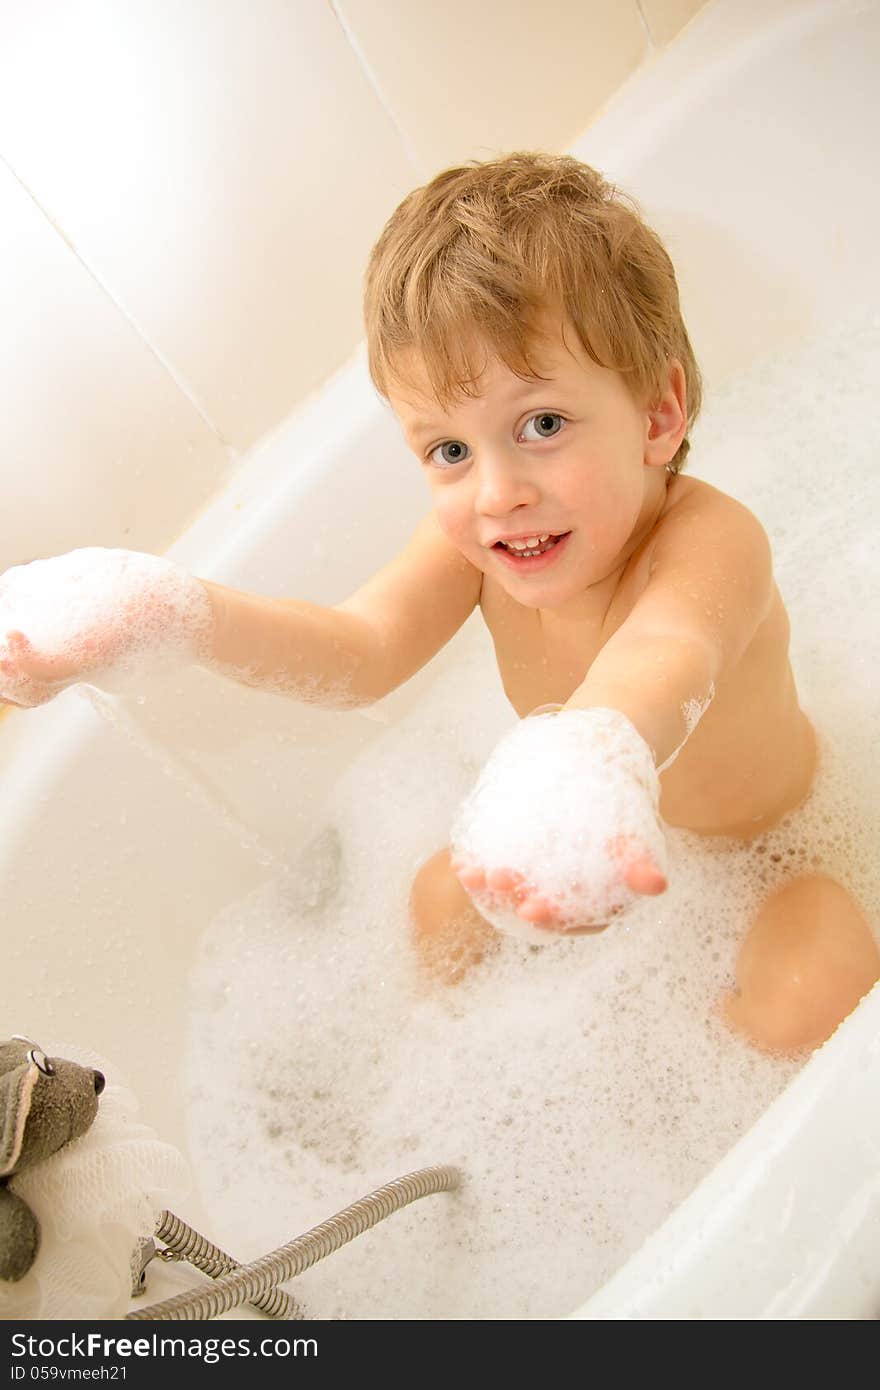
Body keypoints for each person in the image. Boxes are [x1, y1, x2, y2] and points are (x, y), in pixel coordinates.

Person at [1, 153, 877, 1053]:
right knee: (434, 902)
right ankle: (442, 1059)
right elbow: (357, 652)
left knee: (817, 993)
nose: (497, 492)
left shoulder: (711, 543)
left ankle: (691, 1063)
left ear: (659, 416)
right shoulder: (481, 546)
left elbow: (660, 665)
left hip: (770, 857)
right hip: (588, 831)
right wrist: (171, 614)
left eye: (541, 426)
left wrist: (586, 770)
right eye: (448, 450)